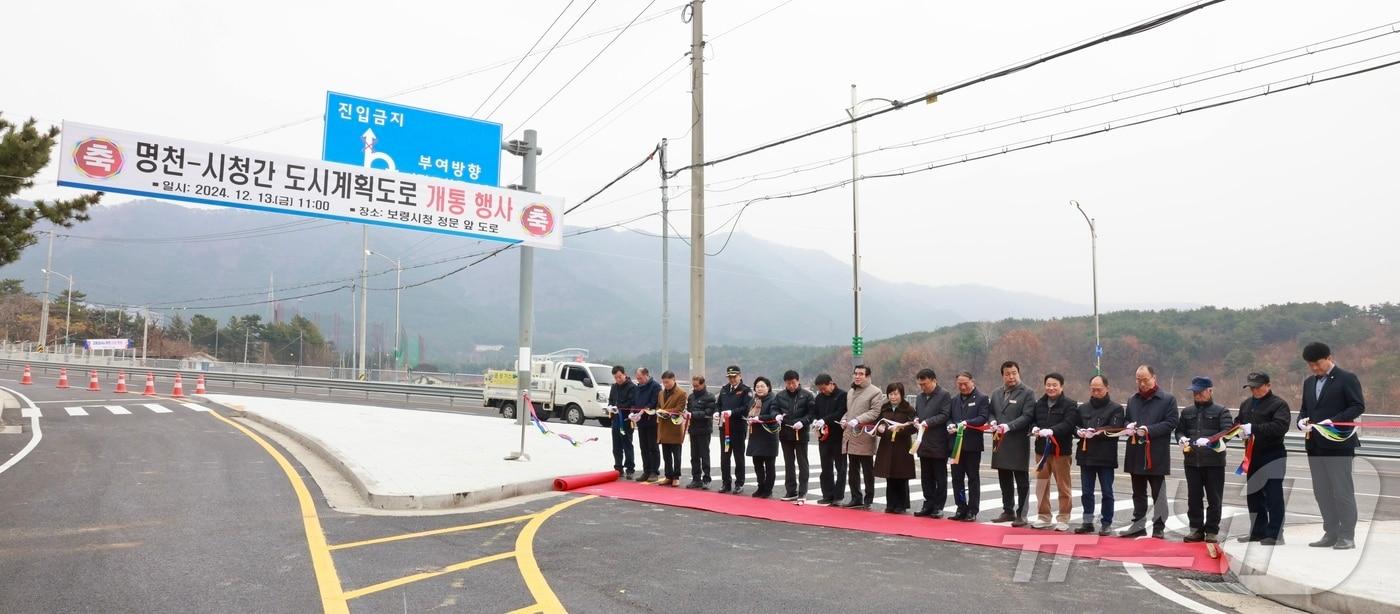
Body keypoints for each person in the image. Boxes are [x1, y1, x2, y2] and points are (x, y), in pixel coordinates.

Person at [1299, 342, 1366, 550]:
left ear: (1329, 357)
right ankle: (1331, 532)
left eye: (1318, 364)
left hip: (1339, 444)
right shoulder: (1309, 383)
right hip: (1315, 445)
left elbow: (1357, 405)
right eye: (1311, 365)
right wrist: (1301, 421)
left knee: (1341, 490)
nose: (1315, 369)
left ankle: (1347, 535)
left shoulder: (1347, 378)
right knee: (1322, 491)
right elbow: (1304, 409)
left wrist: (1335, 420)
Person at [1119, 365, 1179, 539]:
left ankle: (1159, 526)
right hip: (1135, 450)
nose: (1142, 383)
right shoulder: (1132, 399)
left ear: (1154, 378)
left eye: (1145, 379)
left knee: (1158, 492)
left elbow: (1171, 422)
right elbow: (1127, 419)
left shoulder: (1168, 399)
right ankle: (1138, 524)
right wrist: (1127, 427)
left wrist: (1149, 430)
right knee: (1138, 491)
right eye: (1138, 379)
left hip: (1156, 452)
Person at [1235, 372, 1291, 546]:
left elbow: (1280, 427)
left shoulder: (1279, 404)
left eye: (1258, 387)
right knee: (1254, 494)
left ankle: (1275, 533)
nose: (1255, 390)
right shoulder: (1246, 404)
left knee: (1273, 495)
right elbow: (1238, 422)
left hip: (1273, 454)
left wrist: (1255, 428)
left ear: (1268, 385)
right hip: (1253, 455)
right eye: (1252, 387)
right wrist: (1238, 431)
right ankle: (1258, 531)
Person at [1174, 376, 1231, 543]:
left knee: (1214, 497)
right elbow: (1179, 430)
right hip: (1192, 461)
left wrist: (1211, 440)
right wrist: (1181, 438)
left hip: (1214, 462)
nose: (1197, 395)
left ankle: (1212, 530)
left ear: (1210, 391)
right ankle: (1196, 529)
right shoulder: (1187, 412)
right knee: (1194, 497)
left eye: (1200, 392)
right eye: (1195, 392)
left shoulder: (1221, 411)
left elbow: (1227, 431)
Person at [1074, 375, 1124, 536]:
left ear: (1107, 388)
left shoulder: (1116, 408)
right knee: (1086, 492)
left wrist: (1095, 432)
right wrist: (1079, 432)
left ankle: (1106, 522)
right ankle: (1087, 522)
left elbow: (1115, 428)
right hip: (1085, 454)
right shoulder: (1083, 408)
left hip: (1105, 456)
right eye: (1093, 389)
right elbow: (1074, 426)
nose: (1096, 392)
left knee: (1107, 492)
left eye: (1099, 389)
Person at [990, 361, 1036, 526]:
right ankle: (1007, 510)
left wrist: (1009, 426)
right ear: (1002, 375)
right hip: (1000, 441)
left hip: (1018, 441)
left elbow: (1027, 416)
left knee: (1021, 480)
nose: (1011, 376)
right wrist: (993, 421)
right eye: (1007, 374)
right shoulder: (996, 393)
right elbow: (991, 412)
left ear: (1019, 373)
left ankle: (1021, 514)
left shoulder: (1028, 393)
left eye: (1014, 373)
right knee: (1004, 478)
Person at [1031, 373, 1078, 531]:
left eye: (1054, 385)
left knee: (1063, 485)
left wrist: (1051, 431)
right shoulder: (1039, 404)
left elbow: (1069, 424)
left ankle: (1063, 517)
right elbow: (1033, 420)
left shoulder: (1070, 404)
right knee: (1042, 485)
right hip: (1041, 451)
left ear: (1061, 386)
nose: (1051, 388)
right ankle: (1044, 516)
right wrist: (1035, 428)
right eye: (1048, 385)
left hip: (1061, 452)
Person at [841, 364, 886, 509]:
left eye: (861, 374)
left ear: (868, 376)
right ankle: (855, 497)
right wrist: (844, 419)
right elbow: (849, 411)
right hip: (851, 434)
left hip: (865, 434)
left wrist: (858, 419)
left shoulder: (875, 392)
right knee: (852, 469)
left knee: (867, 469)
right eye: (855, 373)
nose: (857, 376)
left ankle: (868, 498)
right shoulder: (850, 391)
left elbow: (875, 412)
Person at [948, 371, 991, 522]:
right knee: (956, 478)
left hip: (972, 446)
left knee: (973, 478)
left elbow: (983, 418)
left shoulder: (982, 398)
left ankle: (972, 509)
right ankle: (961, 507)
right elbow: (949, 418)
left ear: (973, 381)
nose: (963, 386)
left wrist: (967, 423)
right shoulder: (954, 400)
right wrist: (950, 426)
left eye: (965, 383)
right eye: (960, 384)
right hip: (955, 446)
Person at [914, 369, 952, 518]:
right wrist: (916, 419)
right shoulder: (920, 397)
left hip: (938, 442)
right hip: (923, 442)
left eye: (925, 384)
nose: (922, 387)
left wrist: (928, 422)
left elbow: (944, 415)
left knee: (939, 476)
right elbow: (917, 413)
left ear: (933, 380)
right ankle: (928, 504)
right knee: (926, 476)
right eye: (920, 385)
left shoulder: (944, 395)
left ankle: (938, 506)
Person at [874, 382, 918, 513]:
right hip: (887, 445)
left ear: (902, 394)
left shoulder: (908, 409)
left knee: (901, 475)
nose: (893, 397)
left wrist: (900, 429)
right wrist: (879, 429)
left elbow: (913, 427)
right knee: (890, 475)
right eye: (891, 394)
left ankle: (902, 504)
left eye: (896, 394)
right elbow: (877, 424)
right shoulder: (884, 408)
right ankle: (890, 503)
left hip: (902, 446)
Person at [774, 370, 816, 502]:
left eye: (793, 383)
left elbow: (812, 413)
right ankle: (791, 491)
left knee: (802, 463)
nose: (791, 386)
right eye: (788, 383)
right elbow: (774, 408)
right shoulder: (780, 395)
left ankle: (802, 492)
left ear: (798, 381)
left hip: (801, 434)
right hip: (785, 433)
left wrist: (803, 422)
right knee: (788, 463)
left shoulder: (807, 395)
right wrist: (777, 415)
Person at [811, 373, 849, 506]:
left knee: (841, 467)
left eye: (823, 388)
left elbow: (840, 413)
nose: (822, 391)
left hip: (838, 436)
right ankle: (827, 494)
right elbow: (815, 412)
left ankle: (838, 496)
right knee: (826, 467)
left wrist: (825, 420)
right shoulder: (819, 397)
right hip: (824, 437)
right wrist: (815, 419)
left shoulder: (842, 395)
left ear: (831, 384)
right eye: (819, 389)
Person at [716, 366, 752, 494]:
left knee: (738, 456)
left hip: (738, 428)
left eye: (734, 377)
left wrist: (732, 412)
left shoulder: (745, 390)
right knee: (725, 456)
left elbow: (746, 408)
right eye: (730, 377)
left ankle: (739, 483)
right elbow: (719, 404)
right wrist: (717, 412)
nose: (732, 379)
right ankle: (726, 483)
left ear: (740, 376)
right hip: (724, 428)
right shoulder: (724, 389)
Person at [745, 377, 780, 498]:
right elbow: (748, 412)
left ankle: (768, 489)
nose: (759, 388)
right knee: (757, 463)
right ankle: (760, 486)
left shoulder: (773, 399)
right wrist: (749, 419)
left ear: (768, 387)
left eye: (762, 386)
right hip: (755, 435)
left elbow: (773, 415)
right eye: (757, 386)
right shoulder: (753, 400)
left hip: (769, 435)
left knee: (769, 464)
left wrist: (759, 418)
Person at [655, 371, 689, 487]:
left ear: (674, 380)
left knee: (676, 454)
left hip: (675, 426)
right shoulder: (661, 393)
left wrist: (665, 411)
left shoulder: (681, 393)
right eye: (664, 382)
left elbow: (680, 408)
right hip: (663, 426)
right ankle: (668, 476)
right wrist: (659, 411)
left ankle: (676, 476)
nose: (665, 384)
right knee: (666, 454)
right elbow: (658, 406)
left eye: (667, 382)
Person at [685, 374, 718, 489]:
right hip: (693, 429)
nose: (695, 388)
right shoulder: (691, 397)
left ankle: (706, 478)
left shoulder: (710, 397)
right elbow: (689, 410)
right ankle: (696, 479)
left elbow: (708, 413)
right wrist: (687, 415)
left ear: (703, 384)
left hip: (704, 430)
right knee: (694, 456)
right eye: (693, 386)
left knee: (704, 455)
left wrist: (693, 414)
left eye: (697, 386)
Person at [632, 368, 663, 483]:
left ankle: (654, 471)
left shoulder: (655, 386)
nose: (639, 380)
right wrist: (633, 411)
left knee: (653, 447)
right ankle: (646, 470)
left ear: (646, 375)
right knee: (643, 447)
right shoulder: (638, 387)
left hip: (651, 420)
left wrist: (643, 411)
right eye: (637, 378)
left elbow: (654, 402)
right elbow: (635, 401)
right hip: (641, 422)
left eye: (640, 378)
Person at [607, 366, 638, 480]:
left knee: (627, 444)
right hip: (615, 419)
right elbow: (610, 400)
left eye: (620, 377)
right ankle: (618, 467)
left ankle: (630, 468)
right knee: (616, 445)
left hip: (626, 420)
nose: (618, 379)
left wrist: (619, 407)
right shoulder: (614, 387)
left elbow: (632, 402)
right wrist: (611, 407)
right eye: (616, 378)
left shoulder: (632, 387)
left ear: (624, 374)